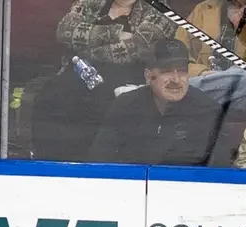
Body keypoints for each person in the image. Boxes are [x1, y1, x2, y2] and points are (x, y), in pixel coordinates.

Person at [33, 0, 178, 162]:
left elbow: (137, 49)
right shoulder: (90, 1)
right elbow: (65, 31)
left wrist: (85, 45)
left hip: (128, 82)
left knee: (106, 108)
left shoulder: (159, 7)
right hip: (77, 77)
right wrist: (115, 33)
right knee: (49, 95)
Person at [89, 37, 228, 166]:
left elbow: (219, 170)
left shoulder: (208, 111)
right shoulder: (124, 106)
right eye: (166, 71)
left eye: (182, 71)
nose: (176, 80)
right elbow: (100, 161)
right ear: (149, 76)